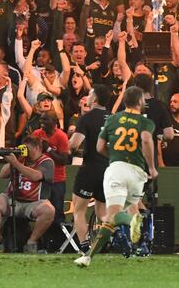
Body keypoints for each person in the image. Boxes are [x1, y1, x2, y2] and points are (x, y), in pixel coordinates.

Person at [75, 86, 157, 267]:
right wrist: (151, 166)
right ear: (141, 102)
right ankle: (137, 238)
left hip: (117, 169)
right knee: (131, 208)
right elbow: (145, 140)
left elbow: (99, 147)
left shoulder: (113, 119)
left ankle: (90, 254)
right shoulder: (145, 122)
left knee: (112, 217)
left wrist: (113, 156)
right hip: (137, 173)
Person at [0, 135, 55, 253]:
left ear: (37, 148)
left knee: (49, 210)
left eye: (28, 149)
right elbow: (2, 174)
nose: (26, 152)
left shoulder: (47, 162)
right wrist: (15, 159)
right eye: (24, 149)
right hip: (13, 199)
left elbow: (36, 176)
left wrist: (16, 164)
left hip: (34, 203)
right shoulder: (20, 159)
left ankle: (31, 243)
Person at [68, 84, 111, 252]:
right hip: (108, 169)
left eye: (91, 93)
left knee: (79, 210)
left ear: (96, 98)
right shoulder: (113, 117)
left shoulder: (87, 117)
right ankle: (121, 233)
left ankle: (85, 248)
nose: (89, 95)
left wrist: (69, 143)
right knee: (102, 212)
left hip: (90, 168)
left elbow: (74, 145)